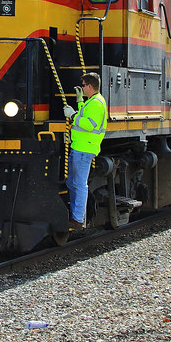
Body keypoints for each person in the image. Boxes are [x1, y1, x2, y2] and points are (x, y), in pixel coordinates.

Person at [62, 72, 107, 230]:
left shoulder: (96, 103)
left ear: (89, 86)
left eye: (83, 85)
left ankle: (78, 218)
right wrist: (80, 101)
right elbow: (84, 115)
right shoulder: (92, 101)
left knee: (79, 184)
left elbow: (89, 124)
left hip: (84, 148)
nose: (82, 88)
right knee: (72, 182)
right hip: (80, 147)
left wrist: (73, 115)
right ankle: (75, 214)